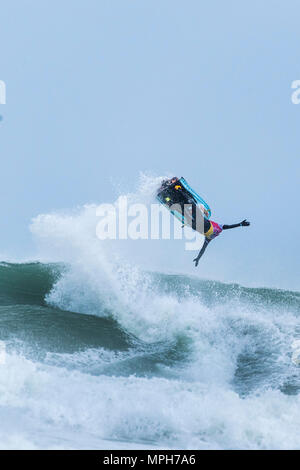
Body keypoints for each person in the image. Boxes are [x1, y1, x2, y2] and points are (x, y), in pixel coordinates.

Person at [157, 177, 250, 266]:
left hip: (199, 222)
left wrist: (240, 224)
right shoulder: (211, 237)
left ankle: (176, 191)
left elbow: (228, 227)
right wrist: (198, 258)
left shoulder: (217, 230)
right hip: (195, 224)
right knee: (185, 207)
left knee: (188, 204)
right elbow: (203, 249)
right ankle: (170, 198)